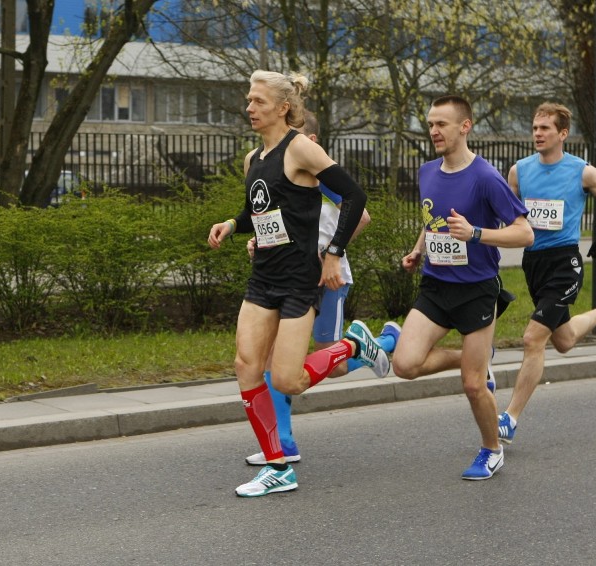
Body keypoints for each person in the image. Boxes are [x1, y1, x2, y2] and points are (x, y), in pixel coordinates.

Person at [207, 70, 390, 497]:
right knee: (246, 366)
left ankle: (354, 347)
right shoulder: (255, 158)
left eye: (257, 101)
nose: (249, 108)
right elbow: (260, 207)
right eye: (249, 101)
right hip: (263, 277)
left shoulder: (301, 148)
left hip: (298, 281)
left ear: (283, 107)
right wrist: (233, 223)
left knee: (288, 380)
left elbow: (355, 197)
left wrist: (334, 253)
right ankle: (277, 466)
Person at [242, 110, 402, 467]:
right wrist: (259, 241)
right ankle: (283, 442)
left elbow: (361, 215)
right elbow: (274, 217)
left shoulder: (318, 172)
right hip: (288, 277)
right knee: (271, 360)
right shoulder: (278, 166)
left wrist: (328, 253)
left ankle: (381, 343)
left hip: (327, 279)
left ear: (308, 141)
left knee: (333, 364)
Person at [391, 94, 534, 481]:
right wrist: (419, 249)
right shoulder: (426, 172)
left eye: (442, 124)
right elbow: (432, 219)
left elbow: (525, 233)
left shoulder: (486, 177)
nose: (434, 131)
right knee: (404, 365)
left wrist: (475, 234)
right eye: (431, 124)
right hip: (436, 285)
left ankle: (491, 450)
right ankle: (476, 358)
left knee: (472, 386)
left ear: (464, 127)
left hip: (476, 290)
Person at [498, 102, 596, 444]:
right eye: (535, 128)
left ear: (563, 134)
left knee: (533, 338)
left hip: (565, 263)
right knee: (563, 341)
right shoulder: (519, 171)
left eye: (545, 128)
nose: (538, 134)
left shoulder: (582, 171)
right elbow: (503, 213)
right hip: (533, 262)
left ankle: (510, 417)